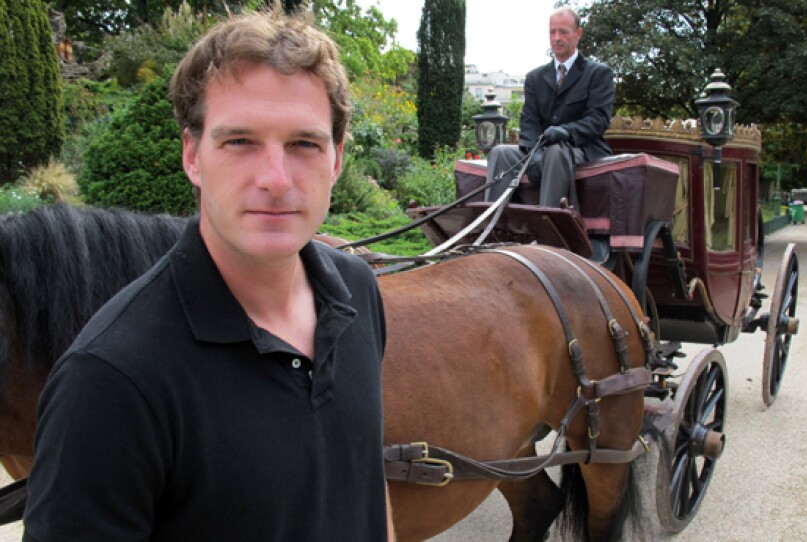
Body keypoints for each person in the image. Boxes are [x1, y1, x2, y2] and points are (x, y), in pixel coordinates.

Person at [24, 8, 394, 542]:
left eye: (304, 144)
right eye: (240, 141)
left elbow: (363, 478)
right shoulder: (110, 381)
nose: (275, 179)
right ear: (192, 156)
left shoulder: (357, 293)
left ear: (336, 160)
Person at [485, 7, 615, 209]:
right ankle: (490, 229)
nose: (557, 38)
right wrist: (533, 152)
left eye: (563, 31)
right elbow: (529, 120)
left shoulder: (598, 74)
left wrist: (565, 132)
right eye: (552, 32)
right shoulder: (535, 78)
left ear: (578, 34)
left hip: (582, 149)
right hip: (542, 149)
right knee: (500, 152)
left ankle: (549, 230)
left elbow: (598, 119)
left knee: (555, 152)